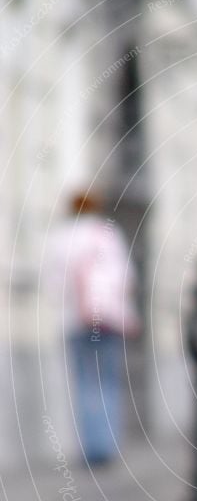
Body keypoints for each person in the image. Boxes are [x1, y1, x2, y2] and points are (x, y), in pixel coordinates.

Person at [48, 191, 140, 465]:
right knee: (108, 381)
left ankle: (91, 449)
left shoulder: (60, 238)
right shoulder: (107, 235)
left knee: (85, 384)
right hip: (108, 321)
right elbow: (127, 277)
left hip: (76, 321)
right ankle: (107, 446)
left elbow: (53, 284)